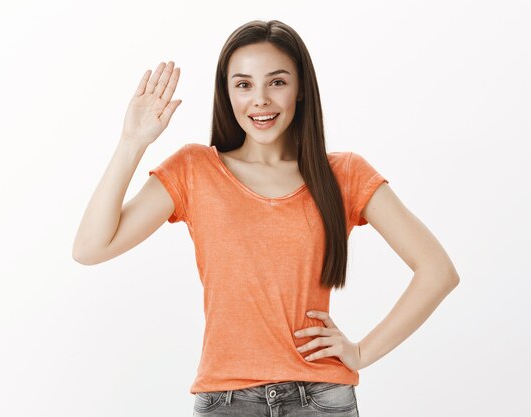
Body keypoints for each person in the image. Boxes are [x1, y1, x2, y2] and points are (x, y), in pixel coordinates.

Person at [72, 19, 460, 417]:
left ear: (301, 88)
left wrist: (361, 352)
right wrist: (132, 142)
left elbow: (437, 271)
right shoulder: (195, 168)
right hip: (226, 401)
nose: (260, 99)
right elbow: (89, 248)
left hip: (320, 400)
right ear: (227, 93)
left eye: (276, 82)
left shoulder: (344, 174)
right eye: (243, 85)